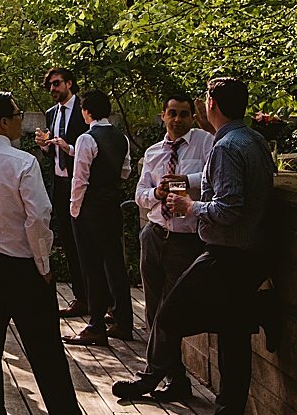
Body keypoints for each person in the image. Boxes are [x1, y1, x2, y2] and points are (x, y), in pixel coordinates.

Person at [0, 92, 132, 415]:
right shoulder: (23, 163)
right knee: (46, 352)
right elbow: (38, 218)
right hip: (22, 265)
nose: (22, 121)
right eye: (16, 115)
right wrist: (43, 265)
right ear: (3, 122)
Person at [113, 76, 276, 415]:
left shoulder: (222, 146)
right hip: (250, 254)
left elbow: (228, 206)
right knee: (233, 345)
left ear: (211, 105)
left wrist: (191, 207)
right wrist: (183, 182)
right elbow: (224, 184)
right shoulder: (252, 140)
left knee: (172, 315)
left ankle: (260, 309)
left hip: (227, 255)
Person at [133, 91, 213, 334]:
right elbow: (140, 195)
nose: (177, 120)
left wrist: (185, 180)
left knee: (173, 310)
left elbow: (213, 176)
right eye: (172, 113)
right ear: (163, 116)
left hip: (185, 239)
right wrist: (156, 193)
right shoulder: (153, 152)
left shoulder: (205, 142)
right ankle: (163, 368)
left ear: (192, 118)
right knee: (154, 309)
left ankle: (163, 369)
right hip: (154, 235)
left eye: (184, 114)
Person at [63, 89, 133, 346]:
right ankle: (123, 321)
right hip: (112, 205)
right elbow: (125, 172)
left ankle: (95, 325)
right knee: (115, 263)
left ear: (87, 111)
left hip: (89, 209)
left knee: (91, 267)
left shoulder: (86, 139)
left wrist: (74, 210)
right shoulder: (120, 137)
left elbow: (79, 179)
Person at [35, 67, 88, 316]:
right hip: (59, 184)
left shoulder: (84, 110)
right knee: (68, 241)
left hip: (82, 184)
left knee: (86, 243)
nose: (53, 89)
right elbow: (52, 153)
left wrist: (70, 148)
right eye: (50, 86)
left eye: (57, 84)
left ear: (69, 83)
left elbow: (91, 146)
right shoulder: (50, 114)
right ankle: (80, 296)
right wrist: (45, 146)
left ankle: (98, 297)